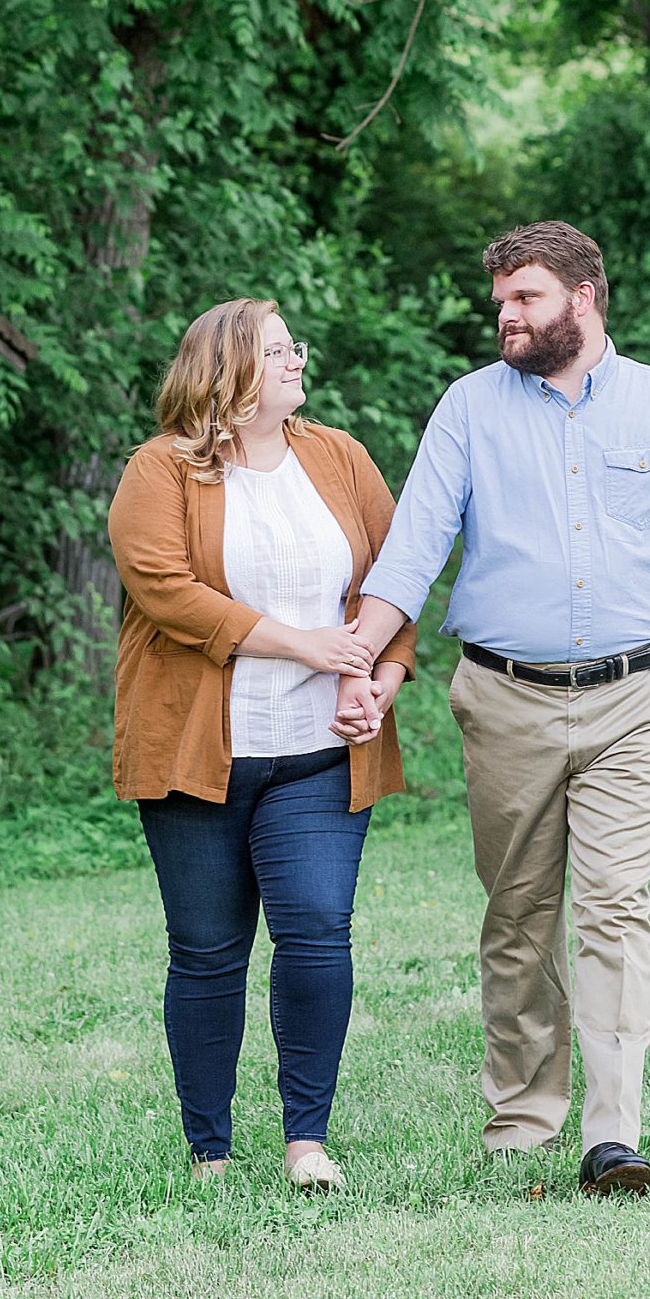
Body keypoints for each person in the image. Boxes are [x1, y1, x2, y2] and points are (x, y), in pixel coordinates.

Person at [334, 220, 650, 1197]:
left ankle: (613, 1132)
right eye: (500, 302)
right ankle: (523, 1111)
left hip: (639, 698)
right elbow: (414, 548)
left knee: (613, 905)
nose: (505, 317)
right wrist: (360, 654)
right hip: (506, 701)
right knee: (518, 914)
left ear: (583, 296)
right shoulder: (470, 408)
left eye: (524, 298)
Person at [107, 297, 414, 1190]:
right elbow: (165, 588)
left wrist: (381, 679)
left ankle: (306, 1141)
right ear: (229, 369)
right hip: (197, 758)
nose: (296, 361)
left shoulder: (338, 456)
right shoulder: (160, 470)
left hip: (320, 752)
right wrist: (306, 643)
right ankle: (210, 1149)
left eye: (294, 348)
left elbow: (394, 579)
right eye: (278, 350)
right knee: (206, 950)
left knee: (317, 929)